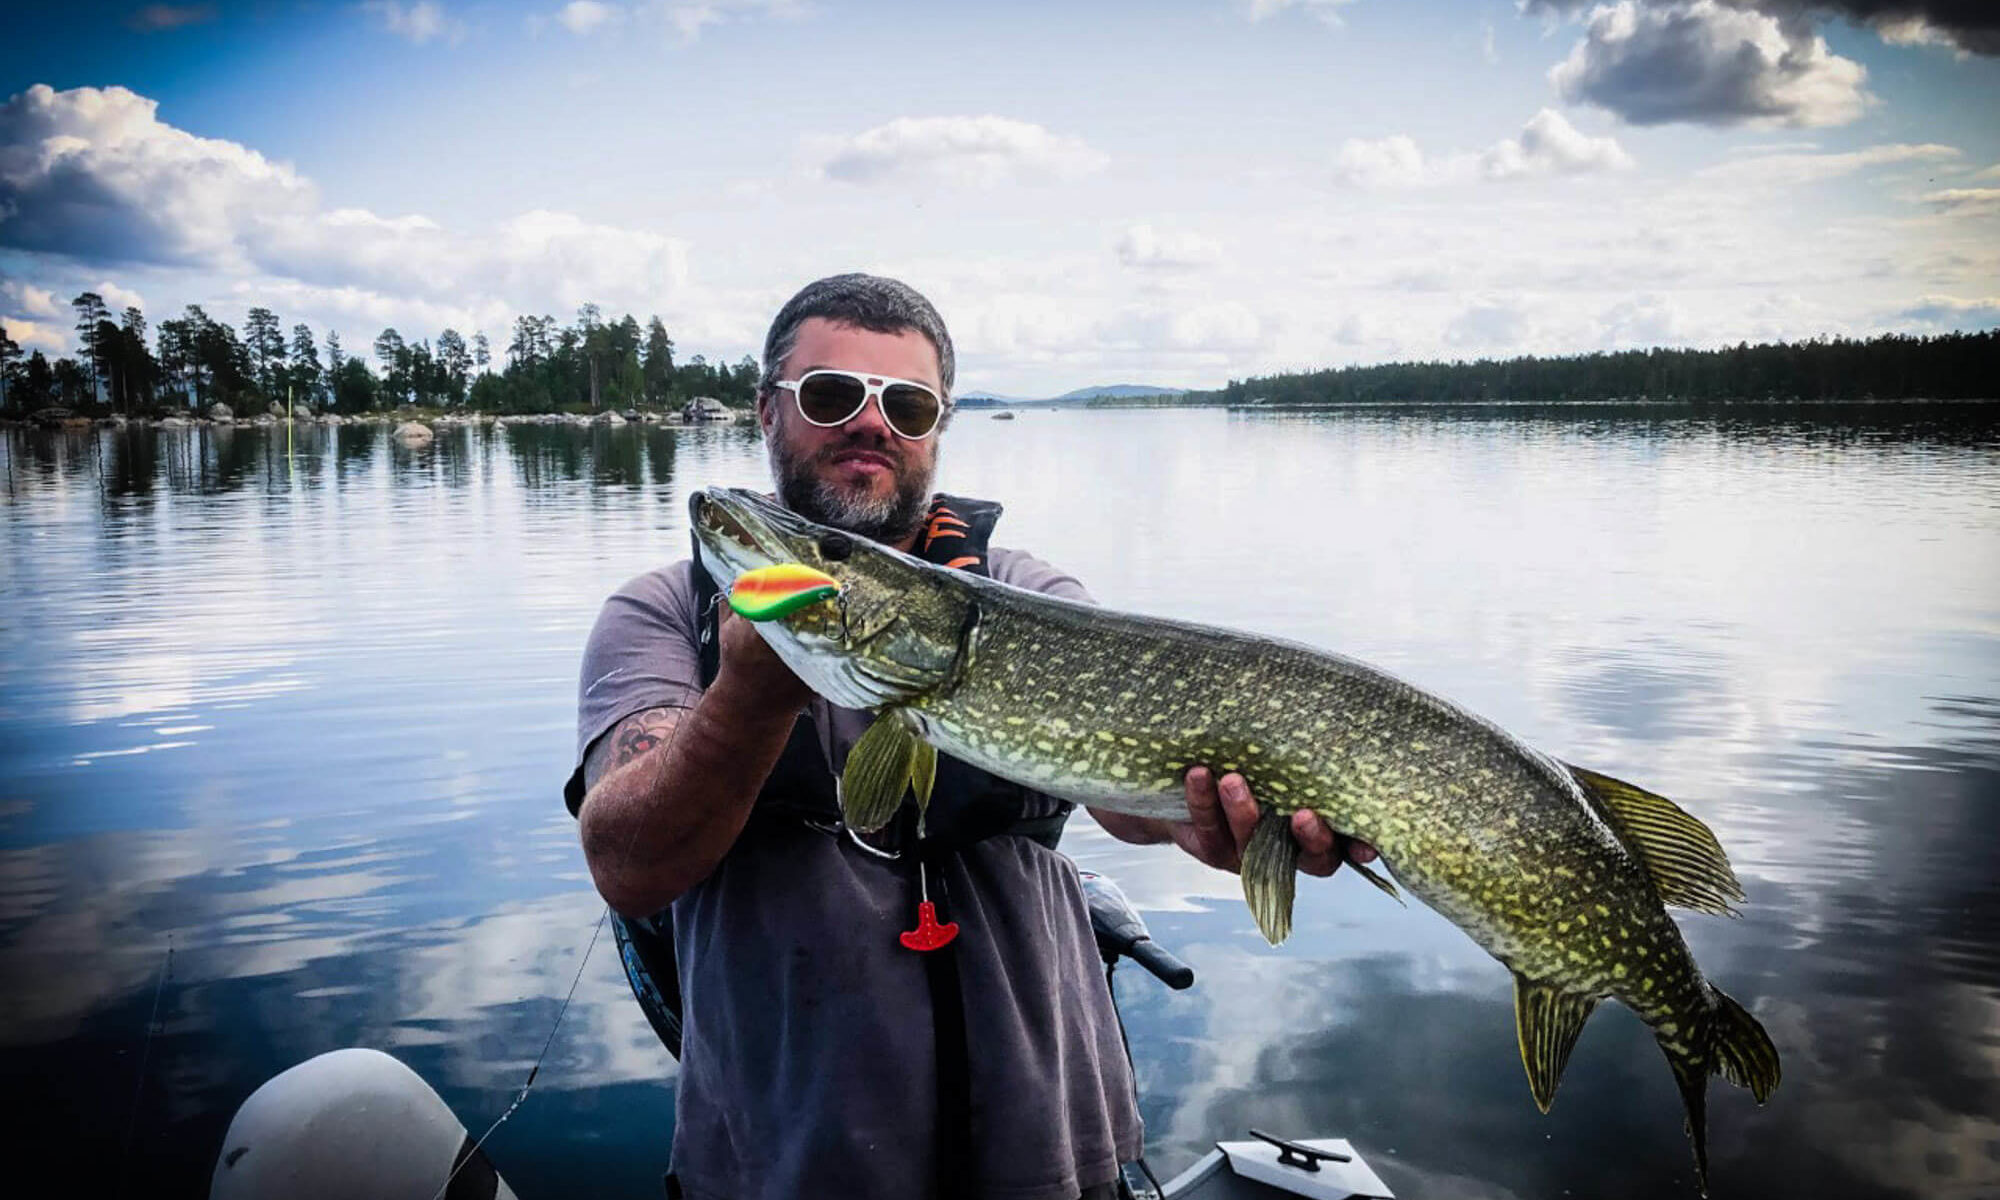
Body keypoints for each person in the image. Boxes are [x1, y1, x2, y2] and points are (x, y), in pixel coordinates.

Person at [565, 274, 1375, 1200]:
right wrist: (748, 699)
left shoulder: (1031, 595)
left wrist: (1198, 820)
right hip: (787, 1167)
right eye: (832, 395)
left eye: (906, 405)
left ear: (936, 428)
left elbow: (1127, 794)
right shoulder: (665, 614)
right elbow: (627, 864)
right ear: (767, 411)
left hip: (1050, 1157)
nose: (872, 425)